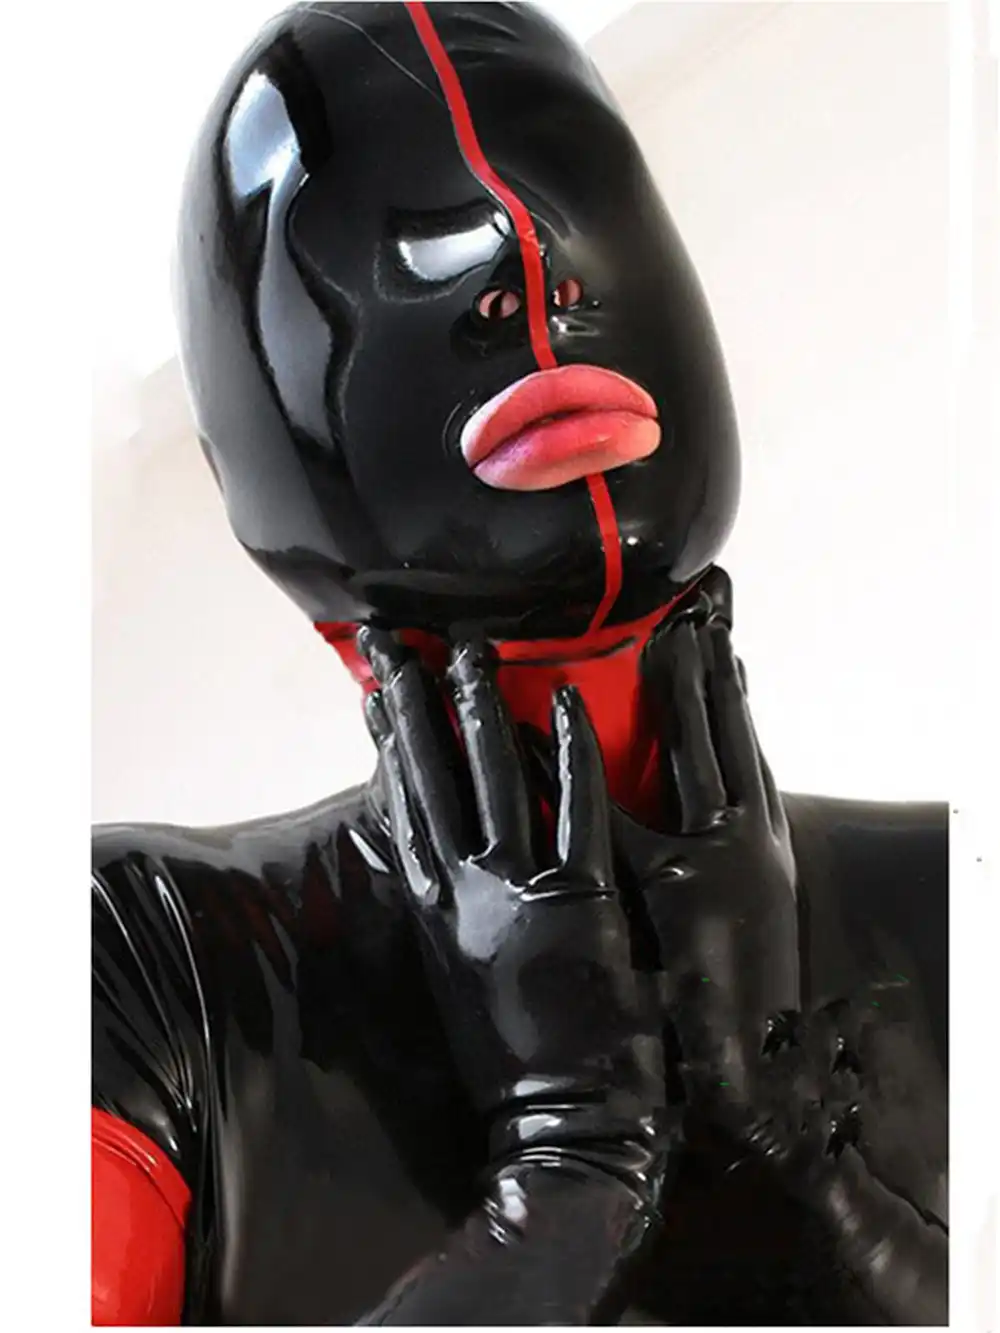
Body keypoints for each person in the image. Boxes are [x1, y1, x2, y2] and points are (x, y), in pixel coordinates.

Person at [92, 2, 947, 1324]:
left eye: (572, 181)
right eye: (367, 247)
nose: (523, 260)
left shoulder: (960, 901)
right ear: (234, 476)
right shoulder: (133, 971)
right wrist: (569, 1178)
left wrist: (794, 1164)